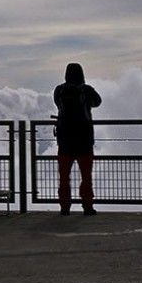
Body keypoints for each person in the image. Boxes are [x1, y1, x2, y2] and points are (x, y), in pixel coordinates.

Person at [53, 63, 102, 216]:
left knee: (64, 178)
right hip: (84, 141)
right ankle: (87, 206)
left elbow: (57, 103)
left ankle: (64, 207)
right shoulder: (86, 90)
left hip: (64, 141)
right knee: (86, 177)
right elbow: (98, 102)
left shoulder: (59, 90)